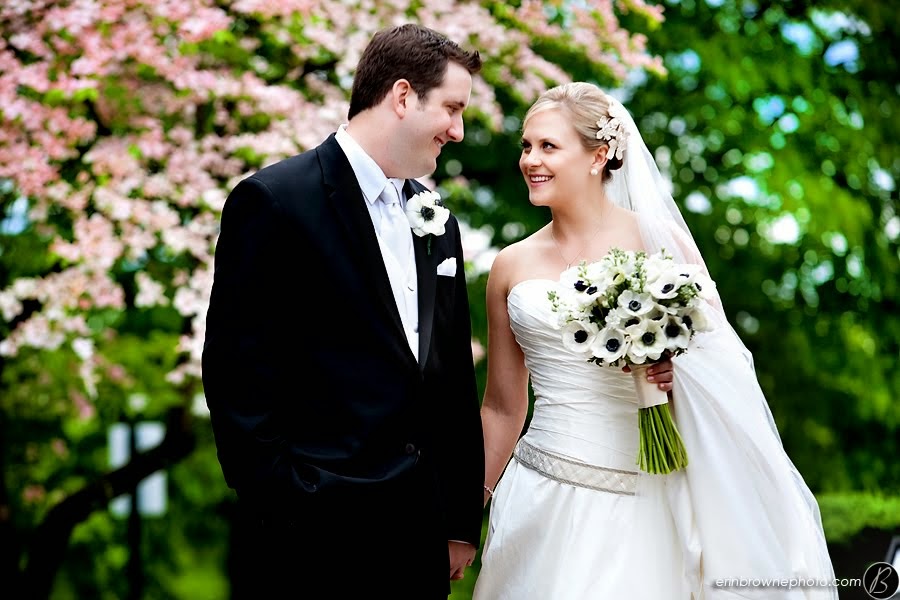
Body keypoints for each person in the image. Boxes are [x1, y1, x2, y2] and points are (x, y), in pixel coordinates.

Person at [473, 82, 836, 599]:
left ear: (599, 155)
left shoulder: (661, 243)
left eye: (548, 146)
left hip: (643, 499)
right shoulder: (510, 265)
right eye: (526, 146)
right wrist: (468, 513)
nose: (531, 159)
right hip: (539, 495)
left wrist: (671, 371)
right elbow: (501, 409)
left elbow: (725, 366)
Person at [201, 23, 485, 599]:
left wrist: (456, 522)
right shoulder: (276, 201)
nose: (457, 132)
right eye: (452, 109)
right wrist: (287, 500)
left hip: (418, 542)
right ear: (403, 96)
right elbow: (236, 377)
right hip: (309, 538)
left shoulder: (438, 223)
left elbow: (450, 379)